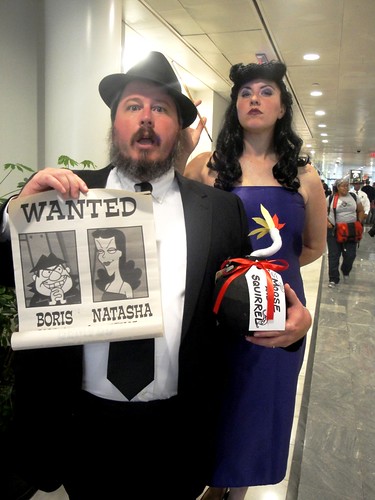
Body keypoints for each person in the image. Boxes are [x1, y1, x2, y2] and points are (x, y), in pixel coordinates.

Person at [0, 52, 312, 500]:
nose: (146, 118)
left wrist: (292, 325)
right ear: (115, 123)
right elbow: (6, 271)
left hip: (179, 431)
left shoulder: (222, 210)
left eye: (161, 108)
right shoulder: (63, 197)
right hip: (84, 427)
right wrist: (17, 217)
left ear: (179, 130)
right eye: (133, 106)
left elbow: (244, 300)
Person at [184, 60, 327, 499]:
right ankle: (210, 480)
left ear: (283, 107)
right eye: (246, 93)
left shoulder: (304, 178)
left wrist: (266, 279)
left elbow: (312, 246)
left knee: (256, 405)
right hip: (211, 310)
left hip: (274, 314)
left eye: (266, 92)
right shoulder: (205, 167)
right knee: (213, 399)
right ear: (235, 106)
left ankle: (235, 487)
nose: (254, 100)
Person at [327, 178, 364, 287]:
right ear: (337, 187)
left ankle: (345, 270)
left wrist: (360, 221)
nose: (346, 188)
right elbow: (322, 211)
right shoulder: (331, 199)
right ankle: (333, 279)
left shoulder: (354, 197)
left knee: (350, 255)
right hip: (334, 231)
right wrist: (327, 222)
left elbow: (360, 210)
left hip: (351, 231)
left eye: (347, 186)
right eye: (343, 186)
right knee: (334, 255)